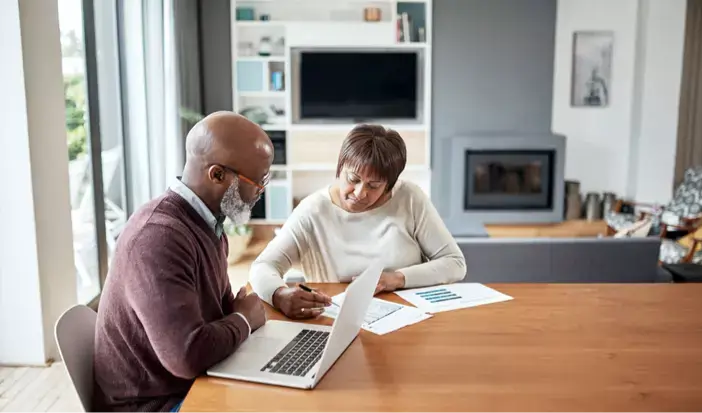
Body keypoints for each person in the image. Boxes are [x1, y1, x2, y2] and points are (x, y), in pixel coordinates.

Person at [94, 112, 274, 412]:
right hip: (156, 404)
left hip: (192, 385)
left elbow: (215, 315)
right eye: (256, 181)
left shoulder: (208, 224)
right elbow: (186, 356)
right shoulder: (158, 238)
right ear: (217, 175)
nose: (260, 191)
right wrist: (244, 319)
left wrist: (240, 312)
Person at [250, 124, 466, 319]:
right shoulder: (313, 211)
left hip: (411, 318)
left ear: (389, 185)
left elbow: (454, 263)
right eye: (353, 179)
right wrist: (279, 294)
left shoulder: (409, 198)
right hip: (335, 319)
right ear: (340, 167)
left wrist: (397, 278)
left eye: (374, 186)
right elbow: (263, 266)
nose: (360, 193)